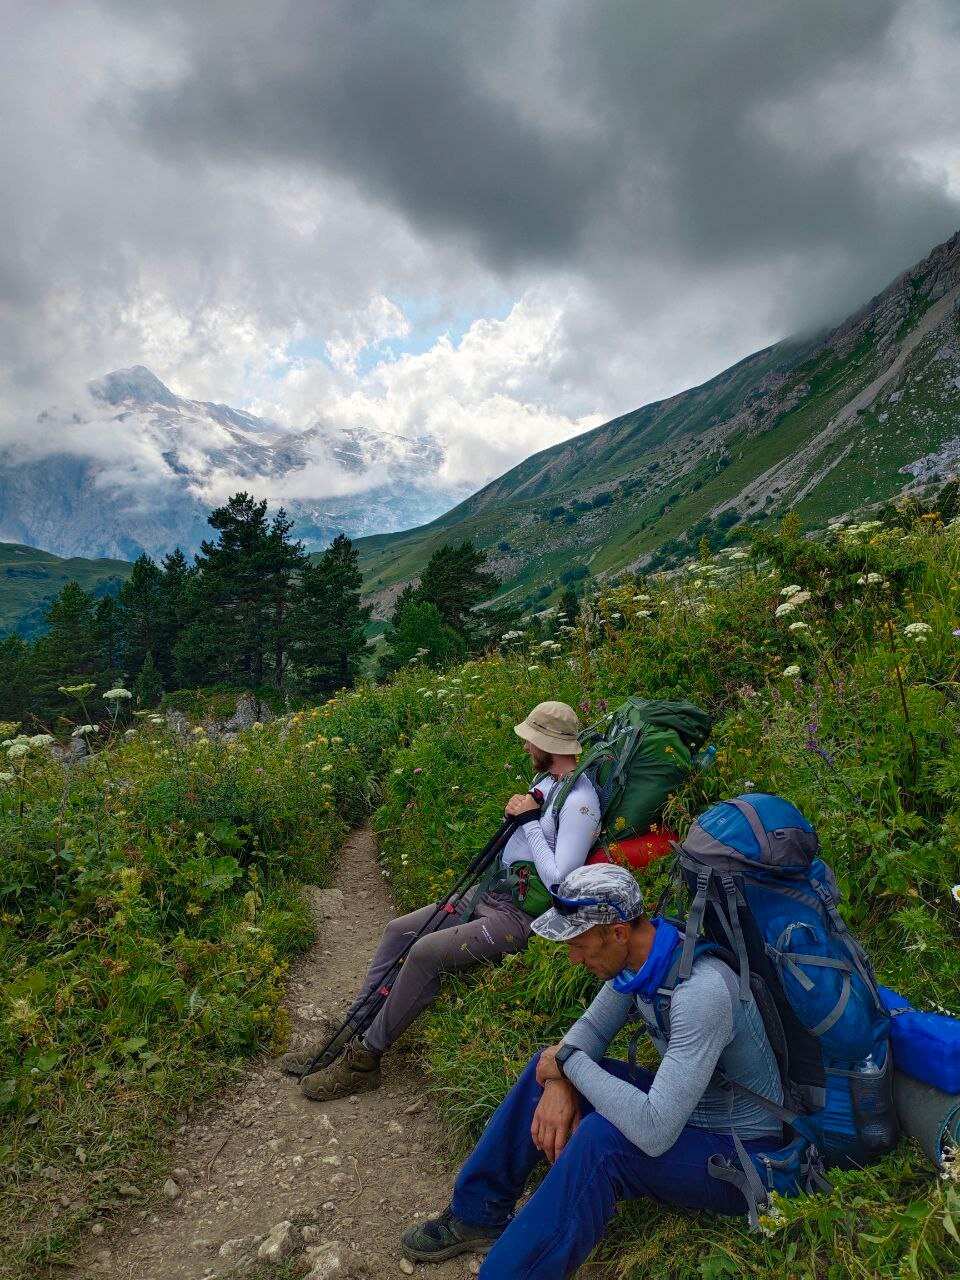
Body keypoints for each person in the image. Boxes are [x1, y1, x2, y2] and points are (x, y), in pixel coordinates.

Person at [400, 863, 783, 1278]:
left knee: (604, 1142)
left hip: (745, 1148)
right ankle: (478, 1213)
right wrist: (561, 1077)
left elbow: (655, 1131)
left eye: (580, 943)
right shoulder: (643, 963)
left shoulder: (701, 992)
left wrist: (567, 1064)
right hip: (692, 1112)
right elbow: (591, 1031)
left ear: (617, 932)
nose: (573, 956)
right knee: (544, 1071)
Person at [279, 700, 600, 1103]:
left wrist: (530, 822)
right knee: (399, 930)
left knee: (426, 951)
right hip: (493, 894)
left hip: (522, 918)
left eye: (529, 742)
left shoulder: (580, 802)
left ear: (547, 744)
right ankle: (353, 1025)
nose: (525, 749)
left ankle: (365, 1059)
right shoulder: (551, 785)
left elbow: (561, 883)